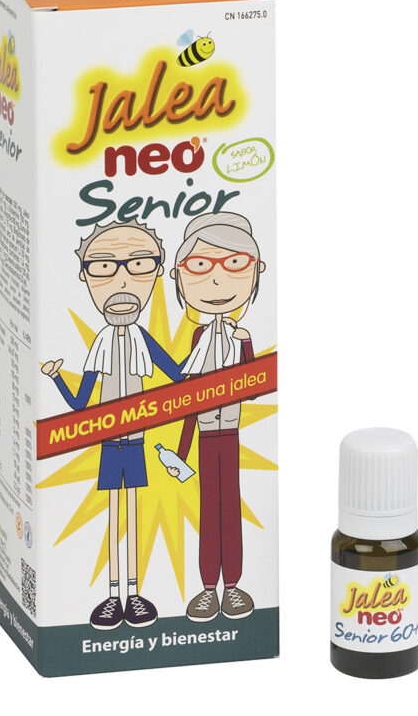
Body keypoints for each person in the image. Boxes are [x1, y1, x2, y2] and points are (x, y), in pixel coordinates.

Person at [41, 219, 185, 630]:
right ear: (85, 276)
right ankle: (111, 595)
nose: (122, 282)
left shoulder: (144, 339)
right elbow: (81, 402)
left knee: (132, 512)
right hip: (109, 444)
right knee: (114, 515)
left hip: (136, 442)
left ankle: (134, 594)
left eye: (138, 264)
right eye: (104, 267)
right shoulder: (99, 344)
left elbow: (177, 375)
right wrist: (56, 377)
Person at [168, 212, 265, 621]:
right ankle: (209, 588)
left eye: (235, 264)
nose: (216, 280)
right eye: (200, 265)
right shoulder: (197, 337)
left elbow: (252, 385)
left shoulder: (242, 338)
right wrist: (180, 452)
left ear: (255, 270)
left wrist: (247, 346)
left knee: (231, 511)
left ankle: (235, 586)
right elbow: (192, 400)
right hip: (206, 438)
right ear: (180, 275)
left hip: (232, 435)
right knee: (211, 512)